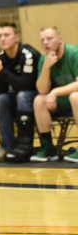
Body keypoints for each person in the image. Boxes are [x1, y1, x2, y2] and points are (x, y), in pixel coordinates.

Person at [0, 23, 39, 162]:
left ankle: (24, 146)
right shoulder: (0, 57)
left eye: (6, 35)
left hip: (37, 95)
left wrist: (2, 72)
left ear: (17, 37)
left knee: (22, 96)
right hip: (19, 96)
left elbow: (26, 85)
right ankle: (8, 147)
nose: (2, 39)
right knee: (0, 100)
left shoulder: (28, 54)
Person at [31, 27, 78, 162]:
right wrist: (46, 67)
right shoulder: (43, 59)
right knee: (39, 100)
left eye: (49, 38)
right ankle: (48, 148)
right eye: (42, 40)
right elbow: (42, 90)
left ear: (60, 39)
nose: (45, 42)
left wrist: (55, 92)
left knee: (75, 96)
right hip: (61, 102)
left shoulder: (74, 53)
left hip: (74, 99)